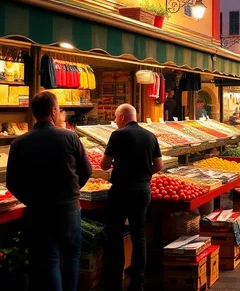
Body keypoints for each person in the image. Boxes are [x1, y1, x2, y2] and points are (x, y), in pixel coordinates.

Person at [7, 92, 91, 291]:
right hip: (69, 210)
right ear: (53, 112)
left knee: (49, 259)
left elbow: (12, 182)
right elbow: (86, 171)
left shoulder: (19, 143)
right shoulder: (70, 137)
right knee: (72, 256)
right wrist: (72, 192)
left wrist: (31, 200)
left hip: (39, 211)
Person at [100, 104, 163, 291]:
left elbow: (104, 165)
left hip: (121, 191)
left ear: (121, 117)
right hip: (142, 190)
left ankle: (114, 279)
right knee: (139, 234)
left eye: (115, 118)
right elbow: (158, 165)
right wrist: (144, 174)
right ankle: (138, 281)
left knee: (116, 234)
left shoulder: (118, 135)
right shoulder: (150, 136)